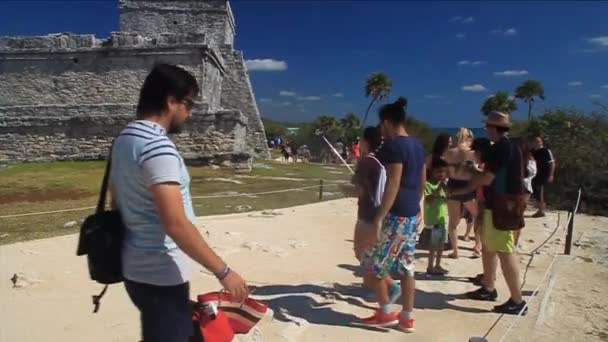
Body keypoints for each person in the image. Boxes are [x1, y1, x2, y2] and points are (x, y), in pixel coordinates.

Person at [110, 64, 249, 342]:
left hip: (134, 266)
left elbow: (117, 202)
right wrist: (224, 271)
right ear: (171, 101)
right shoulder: (157, 147)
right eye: (189, 103)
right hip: (160, 271)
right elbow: (175, 223)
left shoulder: (124, 139)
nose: (190, 112)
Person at [359, 97, 425, 332]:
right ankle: (407, 317)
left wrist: (378, 218)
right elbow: (421, 183)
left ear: (386, 122)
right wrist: (417, 210)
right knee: (407, 267)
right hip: (410, 213)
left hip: (394, 213)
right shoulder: (417, 145)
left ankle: (386, 311)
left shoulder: (394, 146)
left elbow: (393, 183)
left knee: (372, 264)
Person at [463, 111, 527, 315]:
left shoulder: (502, 148)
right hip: (499, 204)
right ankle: (488, 287)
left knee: (505, 251)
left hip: (501, 206)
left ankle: (517, 300)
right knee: (490, 247)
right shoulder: (512, 147)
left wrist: (468, 181)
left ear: (493, 128)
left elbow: (488, 178)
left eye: (488, 127)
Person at [349, 127, 401, 303]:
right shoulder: (380, 161)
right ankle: (376, 286)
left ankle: (389, 286)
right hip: (379, 211)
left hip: (367, 214)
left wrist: (344, 189)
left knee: (363, 254)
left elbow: (359, 189)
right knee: (370, 253)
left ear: (365, 141)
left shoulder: (366, 162)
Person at [443, 128, 478, 258]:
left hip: (452, 186)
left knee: (453, 223)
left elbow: (445, 172)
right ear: (469, 138)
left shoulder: (448, 153)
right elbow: (474, 171)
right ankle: (477, 247)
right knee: (477, 217)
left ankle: (455, 251)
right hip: (467, 187)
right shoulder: (471, 153)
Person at [424, 158, 449, 275]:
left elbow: (448, 199)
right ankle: (430, 266)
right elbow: (428, 200)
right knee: (433, 245)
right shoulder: (428, 185)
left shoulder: (443, 185)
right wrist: (438, 189)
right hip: (433, 220)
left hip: (442, 218)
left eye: (443, 172)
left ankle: (438, 264)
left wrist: (446, 189)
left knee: (441, 245)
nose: (441, 174)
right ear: (432, 171)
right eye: (438, 172)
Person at [513, 138, 537, 250]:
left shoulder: (525, 160)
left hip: (520, 189)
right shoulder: (529, 160)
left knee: (515, 215)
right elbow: (532, 173)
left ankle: (514, 241)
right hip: (524, 189)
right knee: (517, 215)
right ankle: (515, 242)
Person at [531, 135, 555, 218]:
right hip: (534, 176)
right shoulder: (531, 151)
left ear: (541, 142)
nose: (537, 143)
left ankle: (541, 211)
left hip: (545, 175)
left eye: (538, 141)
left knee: (542, 193)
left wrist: (551, 175)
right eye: (535, 141)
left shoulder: (546, 151)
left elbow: (552, 163)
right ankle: (539, 210)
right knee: (536, 193)